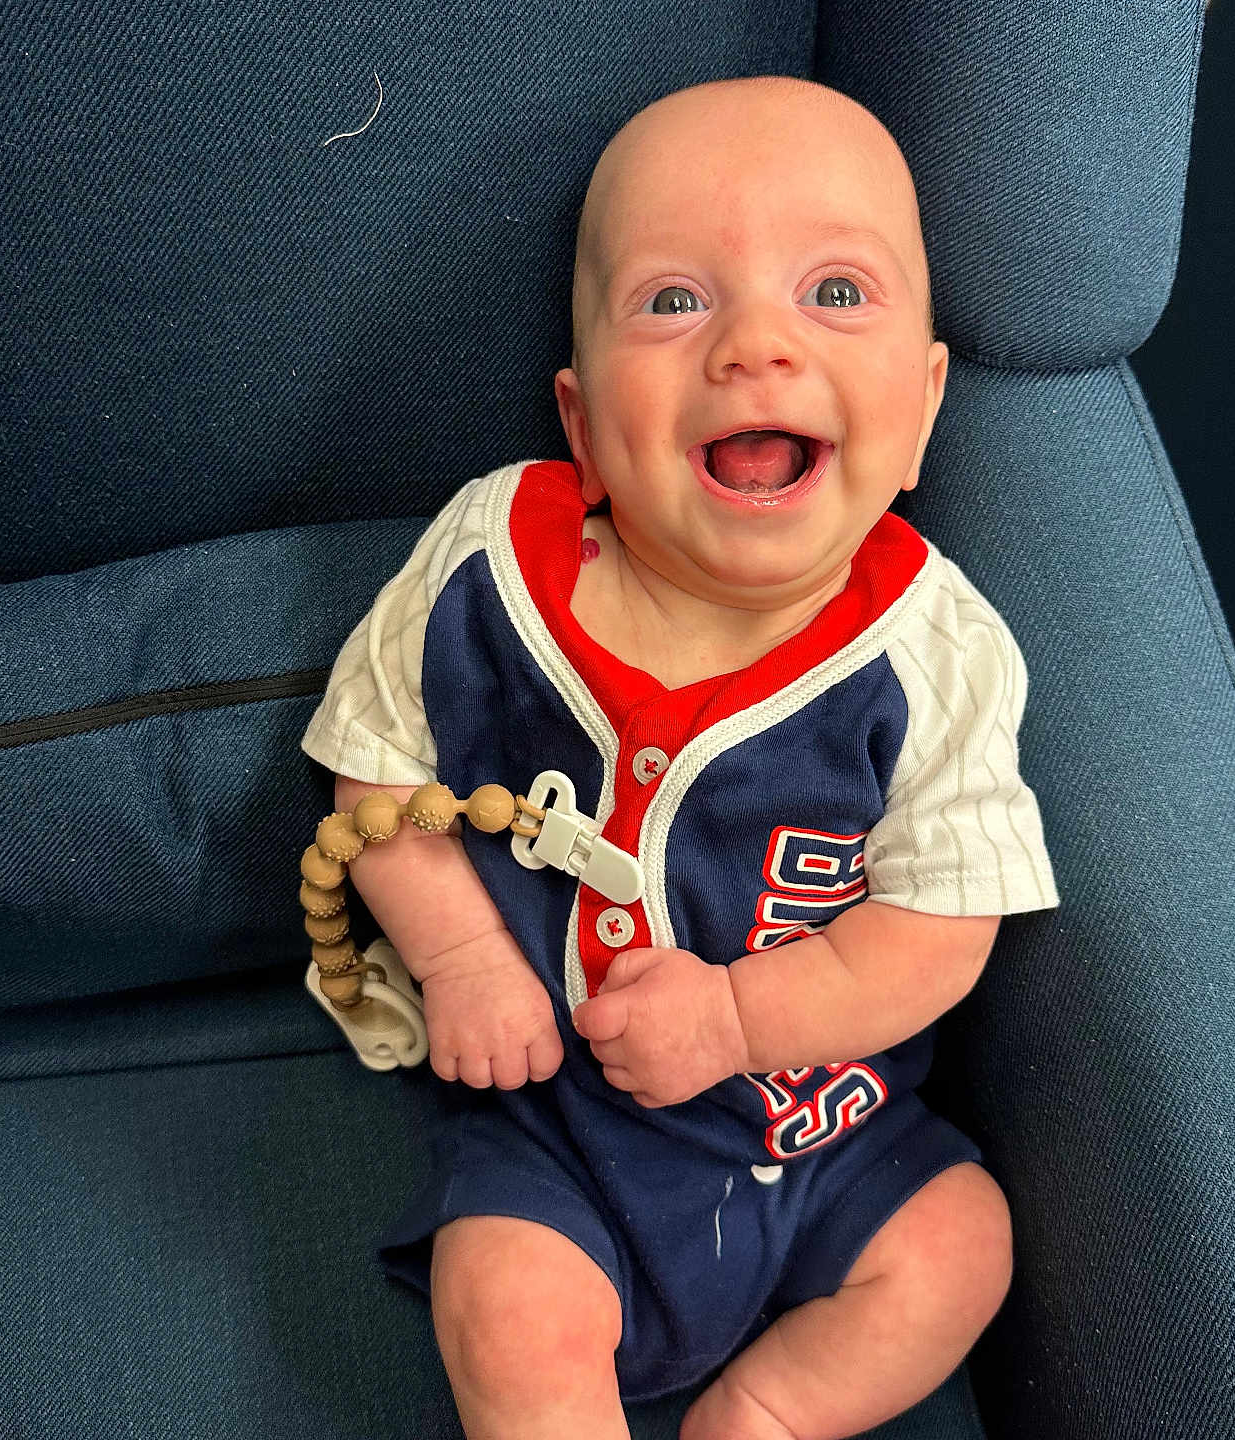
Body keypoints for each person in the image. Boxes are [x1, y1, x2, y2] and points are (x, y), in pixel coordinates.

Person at [301, 74, 1060, 1440]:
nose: (756, 346)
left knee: (963, 1245)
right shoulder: (491, 567)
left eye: (836, 294)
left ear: (926, 409)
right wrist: (467, 961)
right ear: (584, 425)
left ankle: (761, 1416)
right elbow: (376, 772)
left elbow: (946, 926)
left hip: (827, 1135)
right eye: (675, 301)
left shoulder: (934, 649)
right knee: (507, 1309)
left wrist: (738, 1023)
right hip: (564, 1130)